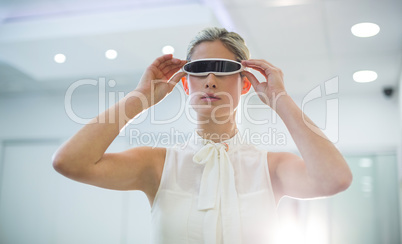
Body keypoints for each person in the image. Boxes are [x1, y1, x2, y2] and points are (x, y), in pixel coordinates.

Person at [53, 27, 353, 244]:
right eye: (199, 70)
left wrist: (280, 99)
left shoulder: (271, 167)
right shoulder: (155, 163)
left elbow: (334, 179)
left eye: (223, 70)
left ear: (245, 83)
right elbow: (69, 162)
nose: (210, 81)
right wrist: (139, 97)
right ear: (185, 84)